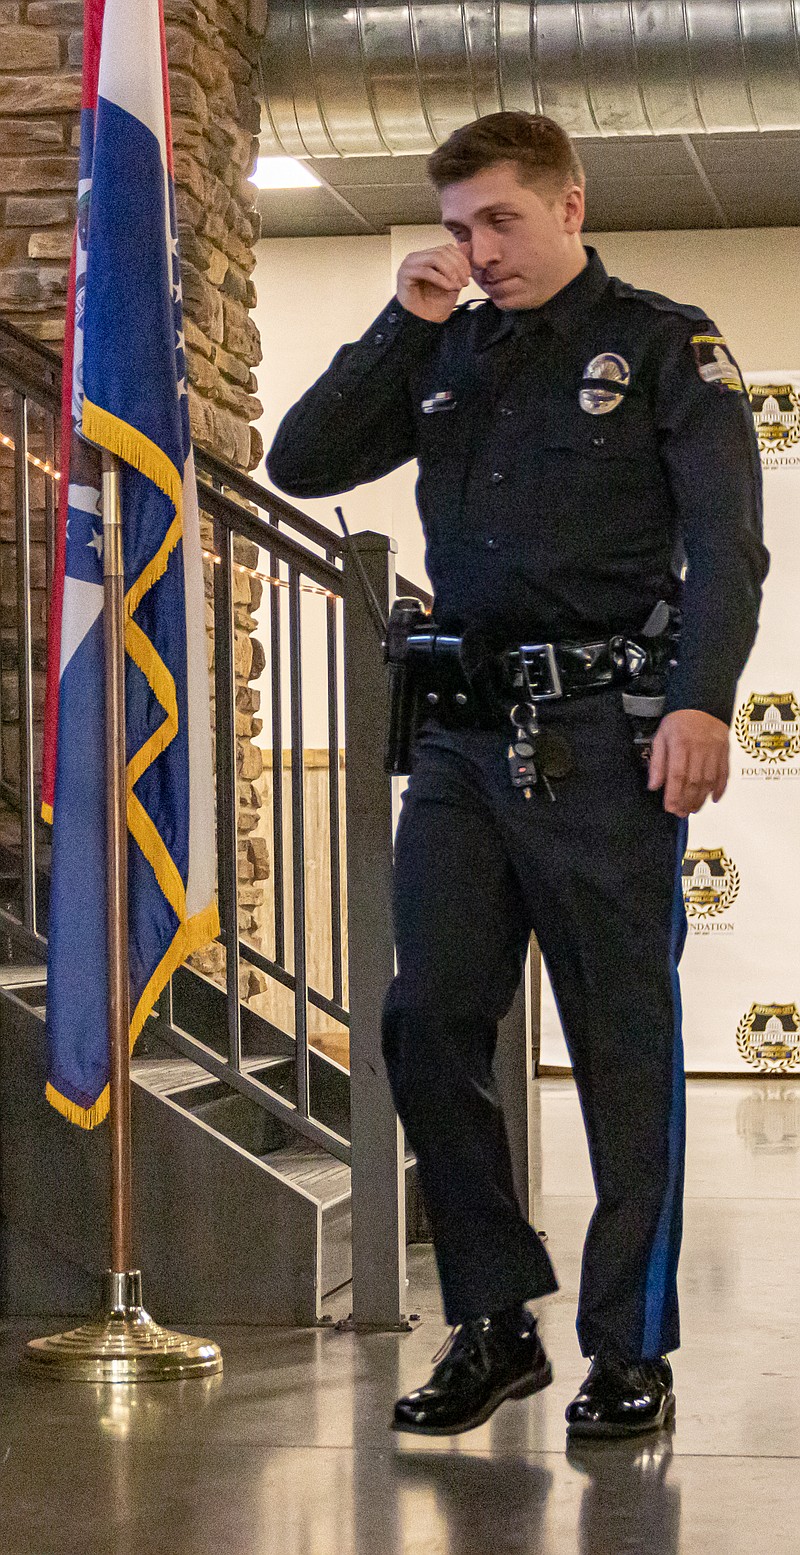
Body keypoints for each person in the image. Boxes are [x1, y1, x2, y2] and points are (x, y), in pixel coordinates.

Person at [266, 112, 768, 1441]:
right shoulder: (448, 346)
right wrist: (400, 325)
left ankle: (629, 1346)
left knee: (620, 1045)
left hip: (607, 740)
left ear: (569, 206)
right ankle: (494, 1324)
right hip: (461, 745)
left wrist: (703, 702)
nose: (475, 250)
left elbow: (728, 546)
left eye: (498, 220)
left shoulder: (665, 346)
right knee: (425, 1019)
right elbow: (303, 461)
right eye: (456, 227)